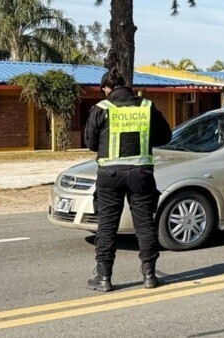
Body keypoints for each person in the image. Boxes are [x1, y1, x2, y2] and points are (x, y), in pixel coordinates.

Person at [84, 67, 172, 292]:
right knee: (144, 225)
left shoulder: (101, 109)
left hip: (110, 176)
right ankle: (150, 275)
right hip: (141, 174)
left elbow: (91, 143)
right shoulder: (147, 106)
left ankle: (104, 278)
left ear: (107, 88)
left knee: (107, 226)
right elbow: (165, 136)